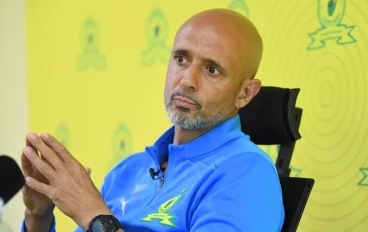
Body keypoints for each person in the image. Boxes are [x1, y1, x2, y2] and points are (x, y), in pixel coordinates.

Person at [20, 8, 284, 232]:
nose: (187, 80)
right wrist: (38, 217)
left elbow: (95, 220)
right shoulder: (128, 171)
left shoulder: (247, 174)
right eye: (181, 59)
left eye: (212, 69)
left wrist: (94, 216)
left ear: (245, 93)